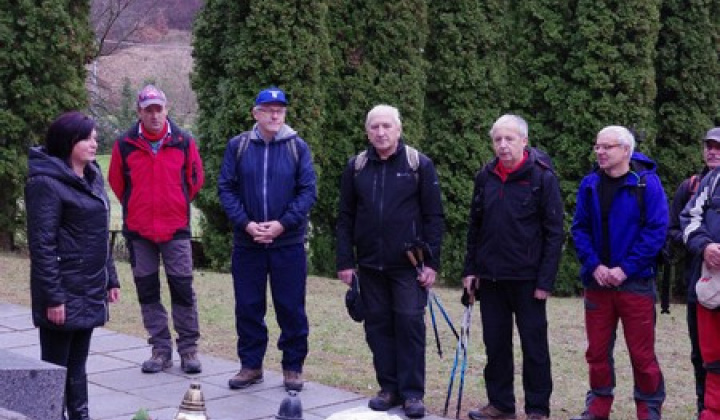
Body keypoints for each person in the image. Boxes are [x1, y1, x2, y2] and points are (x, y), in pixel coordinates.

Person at [336, 104, 445, 419]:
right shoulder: (356, 167)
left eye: (387, 126)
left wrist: (431, 264)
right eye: (374, 127)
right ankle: (389, 388)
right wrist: (345, 260)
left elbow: (434, 217)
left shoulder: (418, 165)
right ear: (367, 132)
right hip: (369, 266)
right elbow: (345, 217)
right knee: (377, 327)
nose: (380, 133)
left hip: (408, 266)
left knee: (410, 324)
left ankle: (412, 394)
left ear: (398, 130)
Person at [461, 114, 564, 420]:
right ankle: (500, 404)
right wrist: (470, 269)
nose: (503, 146)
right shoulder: (485, 176)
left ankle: (537, 409)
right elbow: (474, 226)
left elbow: (554, 232)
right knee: (496, 345)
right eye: (497, 140)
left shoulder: (542, 177)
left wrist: (545, 281)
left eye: (509, 139)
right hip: (491, 278)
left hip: (528, 280)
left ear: (524, 141)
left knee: (534, 348)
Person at [218, 87, 317, 392]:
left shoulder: (298, 148)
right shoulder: (238, 147)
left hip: (287, 243)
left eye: (280, 110)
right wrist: (247, 224)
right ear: (255, 113)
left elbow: (307, 192)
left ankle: (292, 367)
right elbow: (226, 189)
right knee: (248, 306)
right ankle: (251, 366)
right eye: (269, 109)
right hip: (248, 244)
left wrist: (281, 225)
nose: (275, 115)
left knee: (290, 308)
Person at [25, 111, 121, 420]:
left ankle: (81, 416)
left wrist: (111, 277)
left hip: (89, 286)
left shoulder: (91, 177)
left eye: (95, 138)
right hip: (63, 290)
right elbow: (42, 245)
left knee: (78, 365)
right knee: (55, 368)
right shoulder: (45, 183)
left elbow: (99, 232)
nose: (95, 144)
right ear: (69, 142)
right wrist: (53, 296)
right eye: (88, 138)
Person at [571, 125, 667, 420]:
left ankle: (648, 408)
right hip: (597, 284)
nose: (599, 151)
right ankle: (598, 407)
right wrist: (595, 266)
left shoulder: (647, 184)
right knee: (597, 352)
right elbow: (579, 229)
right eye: (597, 146)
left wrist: (625, 269)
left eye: (607, 147)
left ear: (626, 150)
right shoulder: (590, 185)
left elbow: (656, 231)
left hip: (635, 284)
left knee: (642, 354)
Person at [108, 84, 205, 374]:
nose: (154, 115)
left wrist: (173, 203)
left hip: (175, 229)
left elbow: (195, 179)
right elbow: (117, 182)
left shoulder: (184, 141)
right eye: (148, 110)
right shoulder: (124, 144)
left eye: (158, 109)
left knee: (182, 289)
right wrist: (139, 206)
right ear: (138, 112)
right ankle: (160, 349)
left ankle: (188, 349)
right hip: (140, 233)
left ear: (167, 110)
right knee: (148, 291)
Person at [667, 128, 720, 418]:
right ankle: (705, 410)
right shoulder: (693, 186)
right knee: (703, 356)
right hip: (700, 285)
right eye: (708, 146)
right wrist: (703, 246)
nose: (712, 151)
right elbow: (677, 226)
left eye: (718, 147)